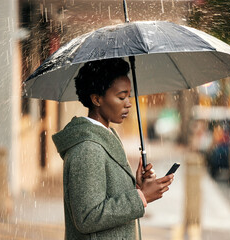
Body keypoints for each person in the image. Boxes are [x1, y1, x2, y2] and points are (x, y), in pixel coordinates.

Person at [52, 58, 174, 240]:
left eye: (129, 96)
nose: (128, 103)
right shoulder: (88, 149)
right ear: (97, 99)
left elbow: (105, 194)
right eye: (121, 97)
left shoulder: (106, 137)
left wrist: (137, 186)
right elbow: (87, 217)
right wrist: (141, 197)